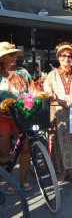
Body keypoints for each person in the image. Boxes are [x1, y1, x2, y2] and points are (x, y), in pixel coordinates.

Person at [43, 43, 72, 185]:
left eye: (70, 56)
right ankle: (63, 171)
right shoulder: (51, 75)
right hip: (58, 113)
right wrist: (53, 96)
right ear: (58, 57)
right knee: (60, 144)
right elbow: (46, 92)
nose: (67, 58)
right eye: (63, 55)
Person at [0, 41, 35, 193]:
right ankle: (8, 181)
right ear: (2, 58)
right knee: (4, 151)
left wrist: (42, 96)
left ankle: (23, 179)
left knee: (25, 148)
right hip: (2, 118)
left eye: (14, 53)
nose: (13, 57)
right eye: (9, 54)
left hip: (21, 116)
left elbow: (33, 91)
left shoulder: (23, 72)